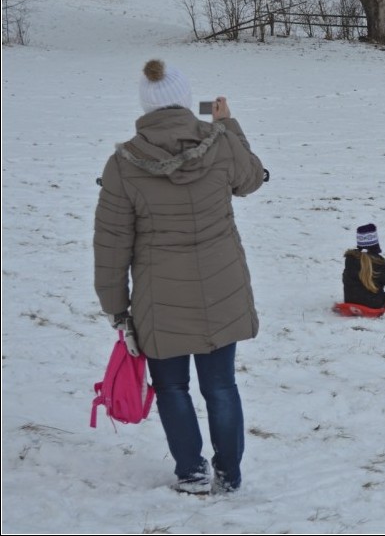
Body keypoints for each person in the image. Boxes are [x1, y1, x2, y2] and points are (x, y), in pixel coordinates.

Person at [94, 59, 265, 495]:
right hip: (221, 288)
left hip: (159, 299)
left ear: (146, 107)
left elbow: (111, 244)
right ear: (186, 101)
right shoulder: (221, 143)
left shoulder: (122, 164)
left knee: (172, 386)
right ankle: (229, 472)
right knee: (221, 384)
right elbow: (250, 179)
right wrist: (230, 125)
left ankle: (191, 472)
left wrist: (117, 309)